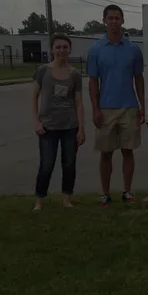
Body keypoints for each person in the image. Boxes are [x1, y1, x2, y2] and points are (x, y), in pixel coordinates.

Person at [87, 4, 145, 207]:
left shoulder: (133, 50)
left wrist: (143, 105)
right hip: (106, 108)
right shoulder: (96, 50)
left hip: (129, 107)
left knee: (128, 151)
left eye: (117, 18)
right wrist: (95, 108)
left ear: (123, 20)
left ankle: (127, 192)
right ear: (104, 20)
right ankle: (105, 194)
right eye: (110, 18)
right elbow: (93, 82)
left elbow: (139, 79)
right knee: (106, 153)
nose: (114, 22)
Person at [31, 34, 86, 210]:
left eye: (65, 47)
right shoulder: (43, 71)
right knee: (46, 164)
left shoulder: (74, 74)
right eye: (58, 47)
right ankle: (40, 201)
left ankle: (67, 199)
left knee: (69, 164)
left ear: (70, 49)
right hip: (48, 127)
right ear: (52, 49)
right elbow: (34, 97)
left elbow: (79, 102)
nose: (62, 50)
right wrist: (36, 122)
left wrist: (81, 129)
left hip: (70, 126)